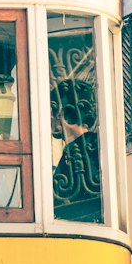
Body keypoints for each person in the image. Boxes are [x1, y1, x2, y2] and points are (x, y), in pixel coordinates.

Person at [51, 81, 101, 222]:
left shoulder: (81, 151)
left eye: (52, 112)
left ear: (64, 115)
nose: (50, 119)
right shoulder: (97, 146)